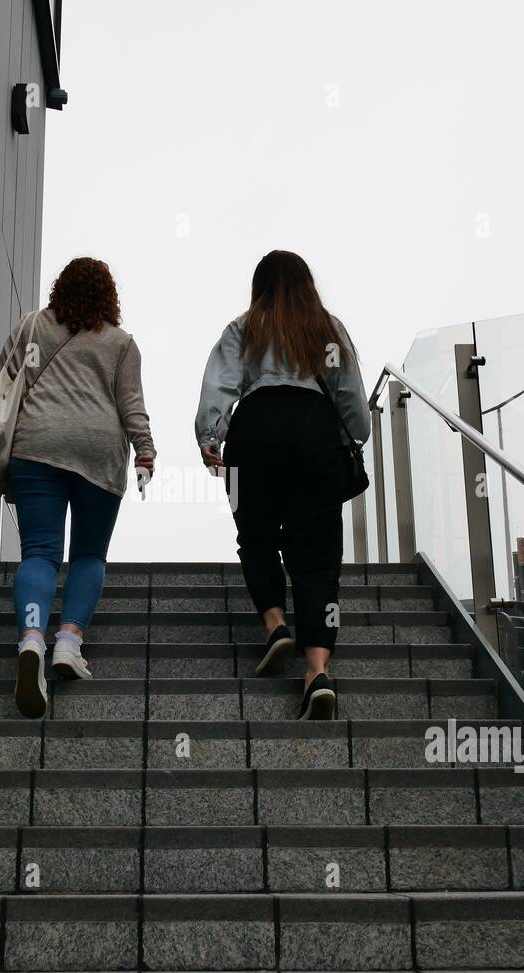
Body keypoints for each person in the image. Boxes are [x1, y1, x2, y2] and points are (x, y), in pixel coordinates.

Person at [194, 250, 368, 720]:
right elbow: (350, 395)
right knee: (317, 555)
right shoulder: (327, 328)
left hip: (253, 430)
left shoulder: (243, 327)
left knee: (254, 532)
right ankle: (316, 671)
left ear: (260, 286)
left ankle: (275, 624)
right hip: (315, 434)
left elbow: (220, 385)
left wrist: (211, 436)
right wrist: (355, 431)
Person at [0, 257, 155, 717]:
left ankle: (31, 639)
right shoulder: (121, 343)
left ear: (59, 288)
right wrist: (144, 449)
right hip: (97, 450)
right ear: (110, 296)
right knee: (88, 555)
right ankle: (67, 641)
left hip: (37, 446)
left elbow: (4, 380)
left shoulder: (33, 326)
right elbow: (131, 404)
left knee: (40, 554)